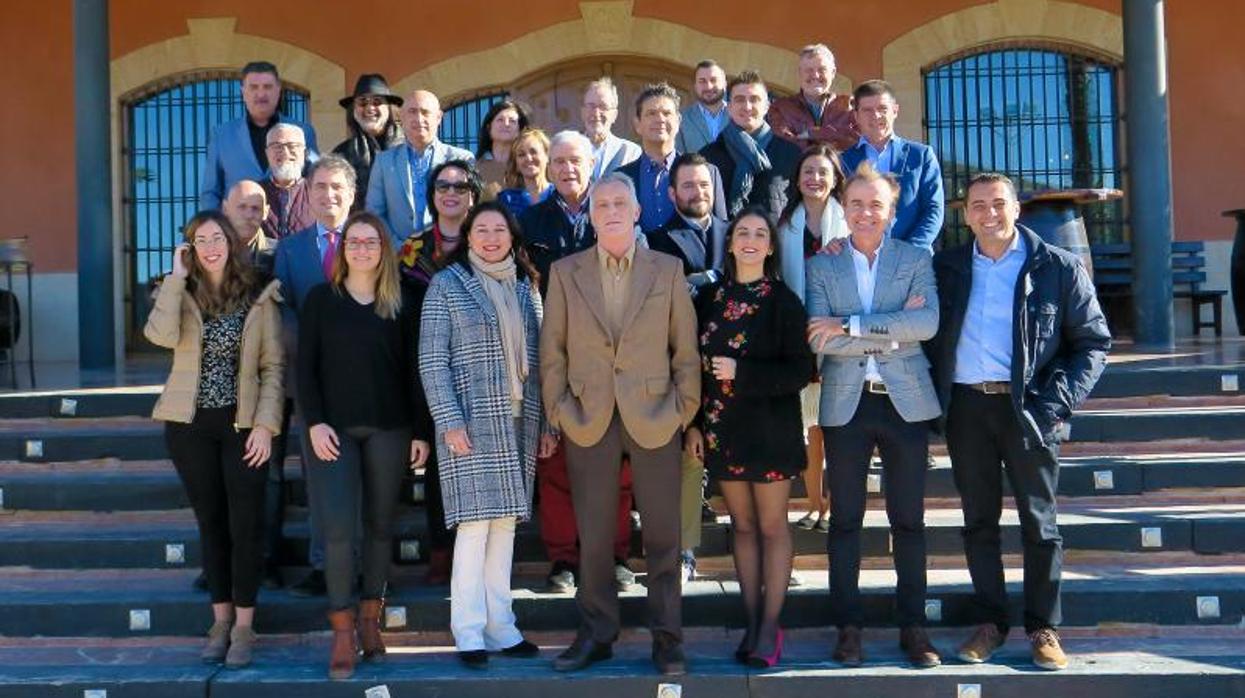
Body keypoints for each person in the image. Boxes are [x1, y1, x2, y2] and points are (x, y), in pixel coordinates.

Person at [926, 173, 1110, 671]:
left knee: (1039, 523)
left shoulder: (1056, 266)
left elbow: (1093, 343)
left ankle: (1042, 627)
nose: (989, 213)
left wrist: (1055, 404)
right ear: (965, 215)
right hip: (966, 408)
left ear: (1016, 209)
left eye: (999, 203)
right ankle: (990, 623)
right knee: (978, 521)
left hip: (1029, 409)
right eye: (979, 205)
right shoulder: (946, 268)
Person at [540, 172, 700, 676]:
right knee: (593, 535)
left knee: (663, 536)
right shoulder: (565, 272)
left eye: (620, 203)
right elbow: (553, 354)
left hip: (656, 416)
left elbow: (686, 352)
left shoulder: (668, 270)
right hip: (589, 418)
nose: (610, 210)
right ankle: (597, 634)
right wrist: (561, 410)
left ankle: (667, 639)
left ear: (637, 212)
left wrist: (682, 407)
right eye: (601, 203)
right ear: (591, 214)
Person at [806, 163, 942, 669]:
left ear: (891, 210)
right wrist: (891, 326)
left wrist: (851, 324)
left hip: (904, 401)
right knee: (845, 521)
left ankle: (914, 628)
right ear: (845, 207)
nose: (865, 212)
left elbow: (925, 323)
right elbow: (818, 337)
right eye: (857, 203)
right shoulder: (824, 265)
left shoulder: (915, 257)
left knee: (908, 519)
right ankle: (849, 628)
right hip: (847, 402)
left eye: (876, 204)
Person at [298, 210, 433, 680]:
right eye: (353, 241)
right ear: (342, 249)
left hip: (390, 429)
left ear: (383, 249)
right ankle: (341, 630)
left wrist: (421, 431)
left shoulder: (401, 303)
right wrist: (313, 423)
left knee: (379, 525)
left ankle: (370, 621)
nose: (361, 248)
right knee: (338, 530)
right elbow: (304, 371)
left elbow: (416, 373)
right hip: (332, 431)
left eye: (370, 241)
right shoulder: (320, 300)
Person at [144, 211, 283, 668]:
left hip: (243, 427)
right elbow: (159, 336)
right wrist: (175, 279)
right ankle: (220, 622)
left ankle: (245, 626)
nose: (209, 246)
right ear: (190, 248)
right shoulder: (179, 291)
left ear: (231, 242)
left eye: (216, 237)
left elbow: (272, 368)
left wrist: (265, 425)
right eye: (199, 240)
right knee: (212, 525)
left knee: (245, 527)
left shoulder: (258, 293)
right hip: (189, 428)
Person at [420, 201, 551, 668]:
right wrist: (448, 419)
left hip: (521, 418)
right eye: (482, 230)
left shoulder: (526, 287)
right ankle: (470, 631)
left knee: (505, 526)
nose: (491, 238)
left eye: (499, 230)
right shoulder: (447, 285)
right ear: (469, 237)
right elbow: (432, 361)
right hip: (471, 422)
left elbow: (541, 362)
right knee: (474, 528)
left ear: (512, 237)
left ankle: (502, 627)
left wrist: (547, 424)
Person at [686, 206, 812, 668]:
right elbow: (690, 366)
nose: (751, 240)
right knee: (740, 527)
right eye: (743, 232)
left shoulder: (783, 301)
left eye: (761, 233)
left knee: (772, 527)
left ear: (771, 246)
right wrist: (694, 423)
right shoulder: (709, 298)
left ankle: (769, 626)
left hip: (770, 430)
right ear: (731, 240)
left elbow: (801, 370)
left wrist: (743, 373)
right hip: (722, 431)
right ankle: (752, 619)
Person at [520, 131, 637, 593]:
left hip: (610, 357)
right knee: (557, 466)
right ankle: (564, 560)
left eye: (576, 161)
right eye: (560, 162)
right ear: (548, 168)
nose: (568, 169)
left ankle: (616, 555)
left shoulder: (611, 212)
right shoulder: (531, 221)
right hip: (553, 353)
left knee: (616, 468)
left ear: (593, 164)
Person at [273, 155, 359, 598]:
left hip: (365, 380)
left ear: (352, 193)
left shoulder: (371, 241)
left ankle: (360, 566)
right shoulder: (290, 249)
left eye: (336, 187)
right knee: (319, 476)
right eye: (320, 187)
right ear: (309, 193)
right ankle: (324, 564)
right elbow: (282, 309)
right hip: (312, 381)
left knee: (362, 477)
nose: (328, 195)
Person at [644, 151, 729, 582]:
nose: (698, 192)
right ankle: (683, 550)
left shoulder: (739, 234)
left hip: (732, 368)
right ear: (673, 192)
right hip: (679, 363)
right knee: (687, 458)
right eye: (689, 185)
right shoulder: (656, 240)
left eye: (704, 184)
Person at [776, 144, 849, 532]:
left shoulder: (850, 221)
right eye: (807, 171)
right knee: (809, 428)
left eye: (823, 171)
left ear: (836, 177)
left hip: (842, 340)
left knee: (836, 428)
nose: (814, 178)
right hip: (799, 339)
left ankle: (835, 505)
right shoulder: (785, 224)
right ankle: (814, 503)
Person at [839, 80, 944, 251]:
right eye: (867, 110)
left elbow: (933, 209)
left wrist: (909, 252)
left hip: (913, 260)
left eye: (882, 109)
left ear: (895, 111)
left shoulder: (921, 156)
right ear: (856, 115)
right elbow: (840, 213)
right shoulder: (843, 161)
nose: (876, 116)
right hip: (860, 261)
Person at [200, 61, 319, 210]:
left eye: (267, 87)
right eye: (254, 87)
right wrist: (217, 227)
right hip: (239, 229)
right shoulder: (222, 135)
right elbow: (210, 193)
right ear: (243, 92)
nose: (261, 94)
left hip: (293, 227)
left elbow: (317, 181)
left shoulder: (303, 132)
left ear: (278, 90)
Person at [367, 89, 475, 244]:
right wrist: (399, 248)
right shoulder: (384, 162)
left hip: (449, 254)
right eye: (412, 112)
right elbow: (374, 212)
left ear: (438, 118)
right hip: (397, 256)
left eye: (425, 112)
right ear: (401, 118)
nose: (418, 118)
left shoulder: (462, 159)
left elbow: (469, 210)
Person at [618, 82, 728, 230]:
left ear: (678, 121)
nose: (660, 119)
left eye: (667, 113)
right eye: (651, 113)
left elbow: (720, 231)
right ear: (637, 124)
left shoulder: (708, 172)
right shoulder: (620, 179)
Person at [701, 70, 802, 218]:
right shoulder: (708, 157)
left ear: (767, 106)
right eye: (740, 99)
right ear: (729, 107)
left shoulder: (790, 154)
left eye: (754, 99)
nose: (747, 107)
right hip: (725, 239)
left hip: (774, 240)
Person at [397, 160, 483, 286]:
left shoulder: (486, 243)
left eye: (460, 187)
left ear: (472, 197)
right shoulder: (414, 246)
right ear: (433, 195)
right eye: (442, 186)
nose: (450, 192)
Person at [332, 74, 405, 211]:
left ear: (389, 109)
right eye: (363, 103)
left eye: (377, 102)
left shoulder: (409, 148)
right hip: (359, 228)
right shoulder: (340, 154)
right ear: (353, 110)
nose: (370, 108)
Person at [767, 44, 857, 151]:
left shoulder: (850, 106)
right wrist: (832, 135)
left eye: (822, 70)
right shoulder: (781, 108)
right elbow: (785, 145)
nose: (815, 75)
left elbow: (855, 139)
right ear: (800, 73)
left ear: (833, 73)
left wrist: (811, 133)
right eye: (808, 70)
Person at [260, 124, 316, 240]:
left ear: (304, 153)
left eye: (292, 146)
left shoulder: (318, 192)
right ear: (267, 153)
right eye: (277, 146)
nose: (285, 152)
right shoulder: (254, 193)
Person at [581, 78, 641, 181]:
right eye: (591, 106)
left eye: (603, 106)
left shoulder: (631, 152)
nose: (596, 113)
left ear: (614, 115)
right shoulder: (568, 150)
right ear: (582, 112)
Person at [474, 99, 532, 199]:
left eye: (512, 121)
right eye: (500, 120)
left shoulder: (527, 165)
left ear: (520, 129)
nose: (506, 124)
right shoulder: (475, 167)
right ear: (489, 128)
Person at [497, 127, 554, 219]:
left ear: (547, 156)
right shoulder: (506, 200)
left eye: (533, 152)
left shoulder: (560, 195)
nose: (528, 158)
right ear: (516, 164)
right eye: (521, 155)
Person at [676, 60, 729, 155]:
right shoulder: (681, 119)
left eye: (713, 80)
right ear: (695, 86)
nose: (708, 86)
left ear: (724, 84)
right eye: (702, 81)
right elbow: (679, 158)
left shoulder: (739, 115)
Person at [223, 180, 275, 278]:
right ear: (225, 209)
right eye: (242, 207)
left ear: (266, 212)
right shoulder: (210, 252)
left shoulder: (280, 255)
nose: (249, 215)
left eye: (256, 208)